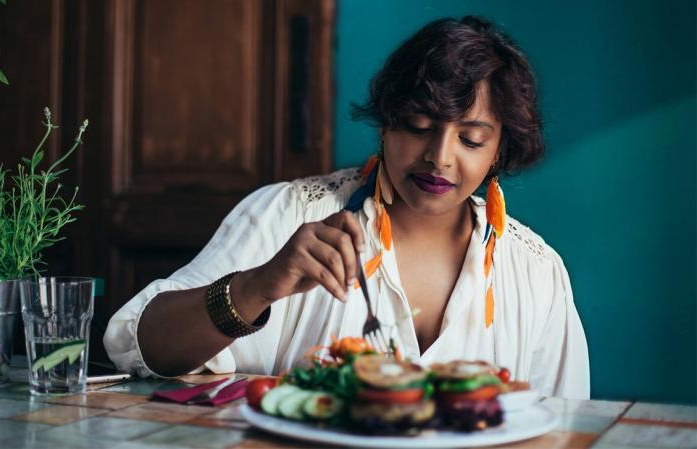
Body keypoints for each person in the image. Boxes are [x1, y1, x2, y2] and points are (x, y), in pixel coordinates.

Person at [104, 16, 590, 399]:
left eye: (470, 138)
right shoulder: (289, 214)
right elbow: (140, 345)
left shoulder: (536, 273)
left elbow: (565, 427)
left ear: (499, 151)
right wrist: (258, 286)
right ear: (384, 124)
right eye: (418, 125)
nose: (439, 157)